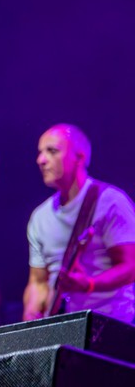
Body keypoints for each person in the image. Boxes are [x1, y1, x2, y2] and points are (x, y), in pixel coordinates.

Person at [23, 124, 135, 322]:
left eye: (52, 151)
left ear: (79, 157)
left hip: (110, 323)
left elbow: (130, 266)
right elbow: (38, 281)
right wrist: (31, 312)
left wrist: (89, 284)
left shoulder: (110, 202)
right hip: (62, 327)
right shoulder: (40, 217)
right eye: (40, 152)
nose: (41, 160)